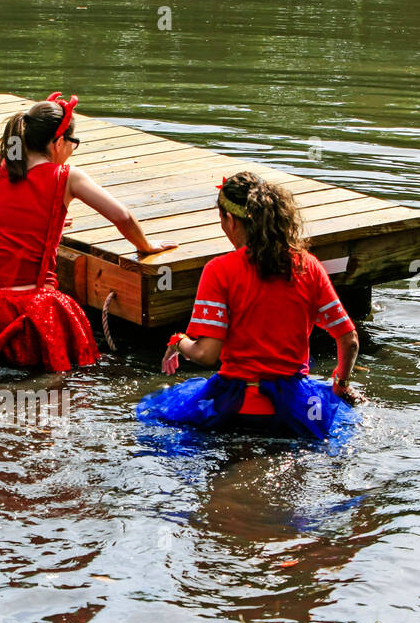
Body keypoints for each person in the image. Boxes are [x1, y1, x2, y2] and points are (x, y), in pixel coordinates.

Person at [0, 92, 175, 385]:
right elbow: (122, 217)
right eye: (73, 142)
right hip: (33, 309)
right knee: (53, 379)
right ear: (57, 142)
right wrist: (145, 246)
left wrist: (51, 219)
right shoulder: (67, 177)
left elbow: (0, 213)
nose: (73, 149)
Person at [136, 172, 362, 440]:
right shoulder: (308, 267)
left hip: (232, 409)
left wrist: (177, 341)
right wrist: (340, 385)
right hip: (293, 411)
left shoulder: (219, 271)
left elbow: (207, 354)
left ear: (230, 220)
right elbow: (349, 341)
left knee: (158, 417)